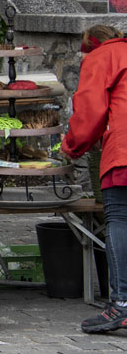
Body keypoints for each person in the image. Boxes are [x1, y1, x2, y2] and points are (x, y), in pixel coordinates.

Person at [61, 24, 127, 332]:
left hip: (124, 150)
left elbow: (89, 113)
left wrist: (71, 146)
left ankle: (122, 303)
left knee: (119, 219)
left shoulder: (101, 57)